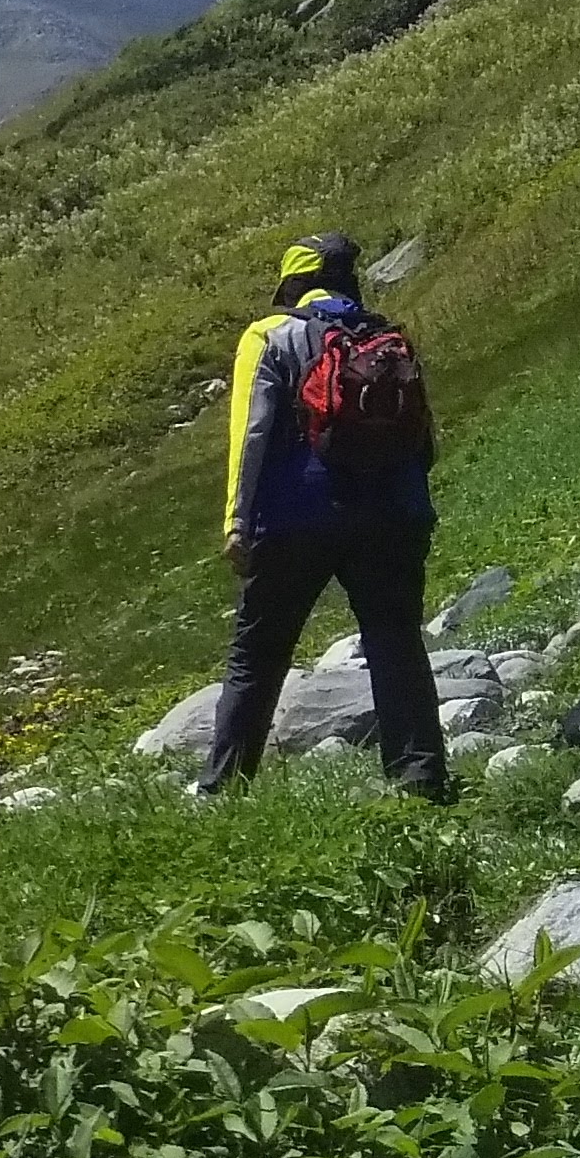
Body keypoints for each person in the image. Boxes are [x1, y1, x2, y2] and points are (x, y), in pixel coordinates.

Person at [198, 231, 449, 800]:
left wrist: (237, 522)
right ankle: (420, 781)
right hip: (392, 514)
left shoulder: (270, 336)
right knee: (395, 642)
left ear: (293, 285)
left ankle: (225, 790)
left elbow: (252, 434)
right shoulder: (387, 337)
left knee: (256, 658)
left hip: (296, 519)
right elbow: (422, 438)